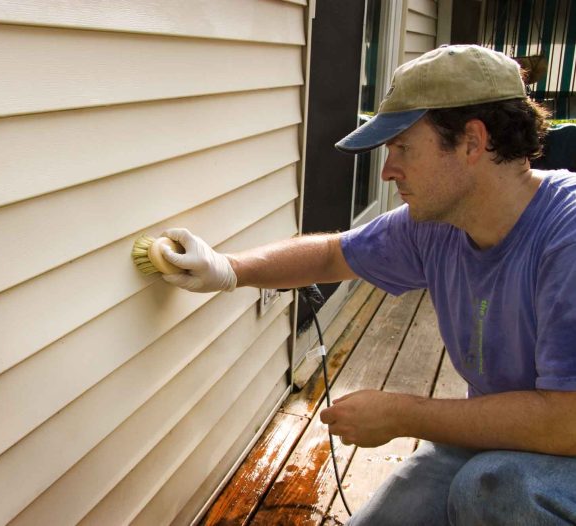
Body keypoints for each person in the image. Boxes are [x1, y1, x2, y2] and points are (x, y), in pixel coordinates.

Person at [158, 45, 576, 525]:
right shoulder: (437, 225)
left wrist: (403, 414)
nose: (387, 170)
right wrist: (227, 268)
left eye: (403, 148)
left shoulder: (567, 235)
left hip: (554, 446)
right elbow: (333, 253)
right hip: (503, 441)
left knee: (496, 491)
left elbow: (566, 423)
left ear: (471, 142)